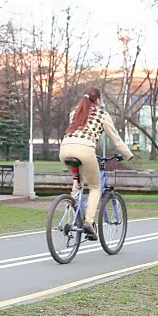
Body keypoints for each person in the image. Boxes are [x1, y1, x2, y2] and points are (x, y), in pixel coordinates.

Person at [59, 87, 134, 240]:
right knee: (95, 187)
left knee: (78, 182)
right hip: (85, 150)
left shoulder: (74, 113)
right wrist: (128, 155)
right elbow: (116, 141)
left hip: (65, 149)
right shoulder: (102, 115)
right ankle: (89, 222)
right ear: (98, 100)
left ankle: (72, 212)